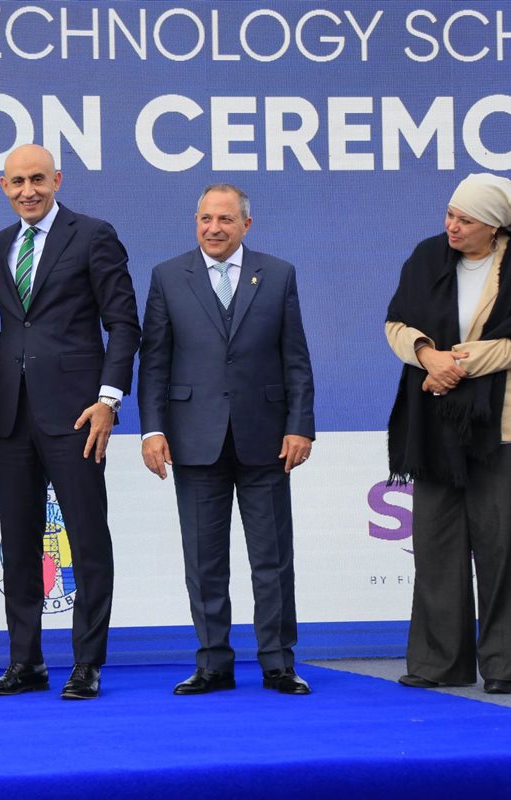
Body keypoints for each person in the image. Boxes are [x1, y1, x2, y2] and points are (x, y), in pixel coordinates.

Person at [0, 144, 140, 700]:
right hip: (10, 416)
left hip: (77, 415)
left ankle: (87, 663)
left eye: (38, 180)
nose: (28, 191)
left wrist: (108, 399)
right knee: (18, 544)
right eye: (18, 181)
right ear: (3, 187)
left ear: (57, 180)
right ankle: (25, 663)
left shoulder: (93, 235)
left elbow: (123, 324)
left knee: (87, 540)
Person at [385, 173, 511, 695]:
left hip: (505, 423)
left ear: (495, 227)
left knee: (506, 542)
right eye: (450, 214)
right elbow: (396, 324)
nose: (452, 226)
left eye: (466, 220)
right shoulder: (426, 257)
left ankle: (505, 663)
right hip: (435, 423)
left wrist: (454, 364)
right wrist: (426, 355)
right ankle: (438, 661)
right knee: (436, 543)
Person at [138, 184, 315, 696]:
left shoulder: (278, 274)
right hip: (193, 439)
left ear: (246, 225)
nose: (213, 228)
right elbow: (154, 362)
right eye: (205, 219)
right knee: (204, 560)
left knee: (272, 558)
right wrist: (152, 429)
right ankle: (213, 663)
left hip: (266, 438)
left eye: (225, 219)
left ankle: (278, 663)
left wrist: (300, 424)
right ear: (195, 221)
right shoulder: (168, 276)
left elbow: (296, 358)